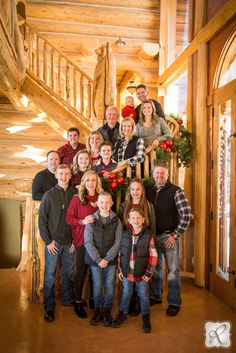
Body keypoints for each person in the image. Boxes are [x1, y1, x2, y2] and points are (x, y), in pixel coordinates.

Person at [146, 163, 192, 316]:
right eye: (157, 173)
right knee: (156, 270)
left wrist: (175, 235)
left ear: (167, 175)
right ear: (153, 175)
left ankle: (174, 302)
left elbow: (186, 215)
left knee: (172, 272)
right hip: (153, 237)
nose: (159, 176)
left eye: (162, 174)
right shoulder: (148, 191)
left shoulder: (175, 191)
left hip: (169, 237)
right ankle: (155, 296)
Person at [38, 164, 77, 323]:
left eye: (67, 174)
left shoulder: (75, 195)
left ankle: (68, 299)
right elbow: (42, 221)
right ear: (56, 175)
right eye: (61, 174)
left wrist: (76, 240)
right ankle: (49, 306)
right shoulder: (48, 195)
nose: (64, 177)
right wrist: (48, 242)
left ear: (70, 175)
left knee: (68, 273)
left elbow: (79, 221)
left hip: (70, 243)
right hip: (53, 244)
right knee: (49, 275)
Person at [112, 208, 157, 333]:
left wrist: (149, 273)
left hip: (142, 273)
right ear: (129, 220)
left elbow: (153, 256)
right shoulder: (125, 235)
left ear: (143, 220)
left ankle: (146, 317)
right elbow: (121, 254)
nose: (135, 220)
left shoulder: (148, 236)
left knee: (143, 295)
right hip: (127, 272)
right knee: (126, 294)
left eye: (138, 218)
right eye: (133, 218)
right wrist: (120, 270)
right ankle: (122, 314)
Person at [66, 170, 103, 319]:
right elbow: (69, 219)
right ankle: (78, 301)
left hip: (98, 242)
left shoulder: (102, 198)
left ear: (97, 182)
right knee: (81, 272)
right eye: (88, 180)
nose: (91, 183)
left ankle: (93, 298)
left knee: (95, 274)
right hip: (81, 241)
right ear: (84, 182)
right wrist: (82, 221)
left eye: (94, 180)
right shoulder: (77, 199)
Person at [84, 192, 122, 327]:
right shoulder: (91, 220)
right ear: (97, 204)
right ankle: (97, 310)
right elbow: (88, 242)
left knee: (109, 285)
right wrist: (98, 259)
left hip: (110, 261)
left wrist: (106, 259)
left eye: (107, 202)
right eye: (101, 202)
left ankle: (107, 310)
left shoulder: (117, 221)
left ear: (111, 204)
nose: (104, 205)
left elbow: (118, 243)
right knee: (97, 285)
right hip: (95, 260)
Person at [119, 178, 156, 316]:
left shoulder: (148, 205)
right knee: (129, 278)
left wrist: (152, 242)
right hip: (128, 245)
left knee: (141, 280)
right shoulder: (124, 206)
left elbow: (153, 226)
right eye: (133, 189)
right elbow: (121, 227)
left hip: (143, 245)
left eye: (138, 189)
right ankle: (127, 305)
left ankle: (138, 304)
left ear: (142, 191)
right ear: (129, 191)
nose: (135, 192)